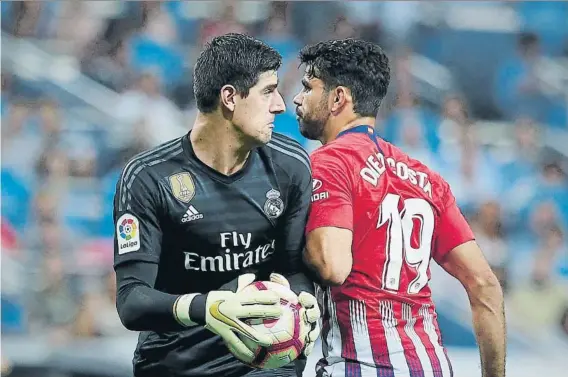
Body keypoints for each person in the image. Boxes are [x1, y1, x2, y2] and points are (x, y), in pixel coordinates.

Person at [293, 39, 506, 377]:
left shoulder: (331, 162)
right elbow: (485, 286)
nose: (297, 98)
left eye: (308, 87)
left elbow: (331, 265)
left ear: (338, 98)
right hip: (430, 366)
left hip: (360, 365)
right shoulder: (426, 178)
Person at [113, 33, 320, 377]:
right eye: (268, 91)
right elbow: (132, 302)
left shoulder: (290, 165)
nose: (280, 105)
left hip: (266, 363)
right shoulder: (149, 178)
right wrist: (206, 307)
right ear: (229, 97)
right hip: (176, 364)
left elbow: (292, 267)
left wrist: (302, 301)